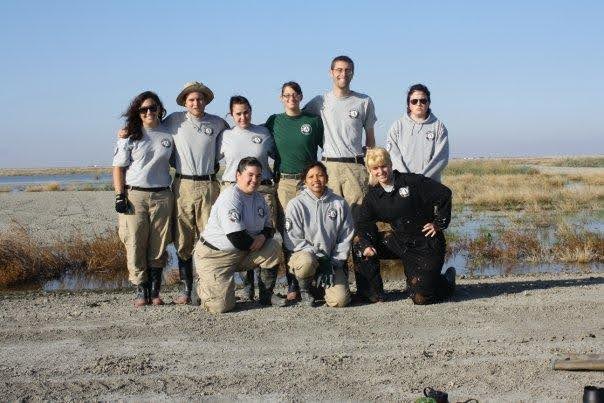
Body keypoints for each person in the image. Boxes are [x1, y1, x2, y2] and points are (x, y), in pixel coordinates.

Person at [353, 147, 455, 305]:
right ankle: (373, 294)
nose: (380, 171)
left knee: (421, 298)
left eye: (384, 165)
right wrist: (367, 244)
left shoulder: (413, 182)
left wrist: (438, 223)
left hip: (426, 243)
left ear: (391, 164)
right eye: (375, 168)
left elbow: (444, 194)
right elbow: (363, 223)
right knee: (359, 243)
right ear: (370, 170)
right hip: (399, 242)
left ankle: (446, 281)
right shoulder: (373, 196)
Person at [194, 157, 285, 313]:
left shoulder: (259, 198)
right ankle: (202, 286)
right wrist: (257, 240)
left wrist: (263, 237)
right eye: (250, 175)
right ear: (238, 175)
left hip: (242, 253)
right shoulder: (230, 197)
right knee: (221, 307)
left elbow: (269, 228)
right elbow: (237, 238)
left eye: (258, 175)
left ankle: (266, 296)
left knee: (273, 247)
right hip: (215, 257)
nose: (254, 180)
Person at [166, 81, 229, 304]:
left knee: (209, 235)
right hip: (182, 184)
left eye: (200, 99)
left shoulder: (218, 123)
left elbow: (232, 142)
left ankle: (206, 285)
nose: (196, 103)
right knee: (183, 239)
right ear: (185, 101)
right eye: (191, 99)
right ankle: (186, 287)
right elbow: (150, 129)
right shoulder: (174, 121)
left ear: (206, 101)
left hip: (209, 185)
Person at [113, 91, 174, 307]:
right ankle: (141, 289)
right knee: (136, 243)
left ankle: (155, 292)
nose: (149, 112)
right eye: (144, 109)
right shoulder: (130, 135)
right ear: (137, 112)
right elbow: (118, 167)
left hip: (162, 195)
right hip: (135, 195)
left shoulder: (168, 134)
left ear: (159, 109)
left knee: (158, 245)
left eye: (153, 108)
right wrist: (120, 196)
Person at [265, 81, 324, 301]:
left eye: (295, 94)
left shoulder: (313, 121)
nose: (291, 98)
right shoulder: (274, 121)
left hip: (308, 182)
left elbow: (324, 147)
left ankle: (309, 283)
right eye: (286, 95)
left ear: (300, 96)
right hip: (285, 183)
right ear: (281, 98)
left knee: (310, 230)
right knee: (288, 232)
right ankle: (292, 285)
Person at [219, 96, 278, 300]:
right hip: (235, 192)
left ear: (251, 111)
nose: (243, 117)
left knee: (262, 234)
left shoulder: (263, 132)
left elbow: (277, 155)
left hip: (262, 190)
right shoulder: (225, 135)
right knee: (241, 234)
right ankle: (246, 286)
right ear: (231, 114)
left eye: (246, 112)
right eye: (238, 113)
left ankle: (265, 290)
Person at [303, 55, 377, 216]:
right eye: (339, 70)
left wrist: (371, 167)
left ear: (353, 73)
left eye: (347, 70)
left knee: (357, 217)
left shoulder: (364, 101)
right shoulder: (319, 101)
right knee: (329, 216)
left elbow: (370, 138)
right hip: (329, 167)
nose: (343, 74)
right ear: (331, 72)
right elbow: (299, 119)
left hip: (355, 167)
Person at [283, 161, 354, 307]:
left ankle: (320, 289)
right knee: (306, 262)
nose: (316, 180)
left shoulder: (339, 203)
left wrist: (334, 261)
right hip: (306, 258)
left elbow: (346, 236)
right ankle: (304, 289)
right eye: (311, 177)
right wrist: (320, 257)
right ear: (305, 180)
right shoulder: (296, 204)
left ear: (326, 178)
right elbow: (293, 240)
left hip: (331, 262)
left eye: (320, 175)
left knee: (340, 301)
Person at [386, 83, 449, 182]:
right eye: (414, 101)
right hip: (404, 184)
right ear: (409, 104)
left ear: (428, 103)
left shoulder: (439, 127)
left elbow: (441, 158)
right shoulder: (397, 127)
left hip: (430, 184)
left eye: (423, 101)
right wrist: (406, 179)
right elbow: (393, 156)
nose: (419, 104)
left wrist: (421, 180)